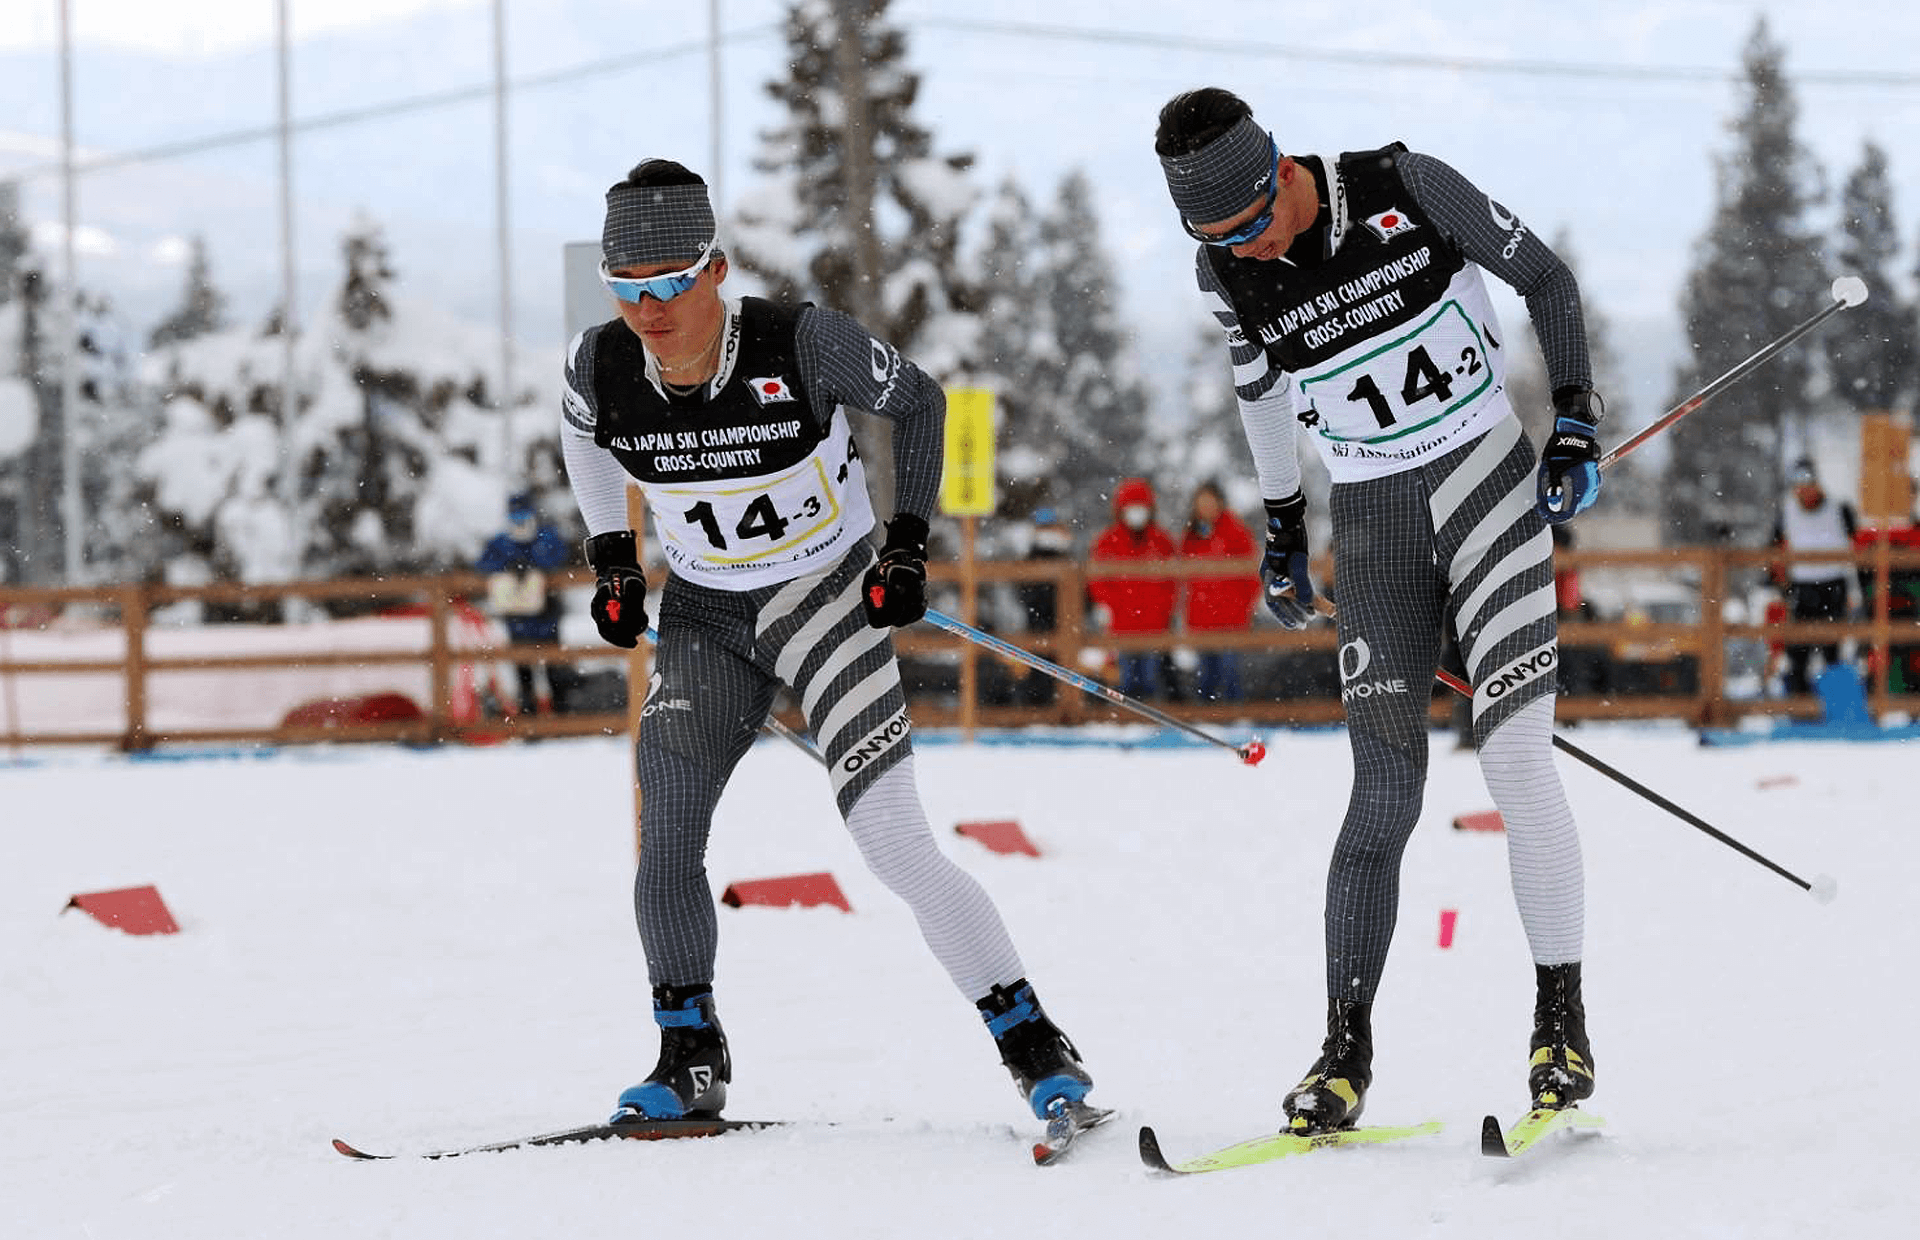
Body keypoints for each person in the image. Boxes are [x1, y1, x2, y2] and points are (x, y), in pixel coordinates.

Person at [558, 158, 1095, 1128]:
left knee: (891, 841)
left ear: (715, 269)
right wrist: (615, 562)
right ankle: (689, 1055)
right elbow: (586, 441)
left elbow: (921, 401)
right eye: (629, 289)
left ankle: (1034, 1044)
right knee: (666, 835)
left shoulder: (799, 344)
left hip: (826, 598)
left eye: (671, 283)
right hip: (709, 617)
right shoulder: (598, 365)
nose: (650, 310)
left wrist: (906, 544)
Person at [1155, 87, 1602, 1130]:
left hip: (1484, 477)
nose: (1251, 249)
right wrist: (1277, 523)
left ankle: (1560, 1028)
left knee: (1515, 755)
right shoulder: (1227, 264)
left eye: (1257, 221)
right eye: (1222, 238)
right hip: (1372, 520)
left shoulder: (1406, 184)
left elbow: (1546, 278)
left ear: (1283, 169)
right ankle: (1342, 1052)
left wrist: (1574, 418)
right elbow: (1262, 387)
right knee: (1380, 790)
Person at [475, 491, 573, 717]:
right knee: (523, 669)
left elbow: (558, 556)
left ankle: (561, 715)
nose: (519, 520)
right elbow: (483, 564)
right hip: (517, 614)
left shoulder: (545, 537)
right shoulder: (501, 542)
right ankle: (529, 716)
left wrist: (534, 564)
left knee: (553, 667)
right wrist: (508, 565)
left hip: (545, 612)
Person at [1770, 458, 1857, 695]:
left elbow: (1858, 545)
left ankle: (1836, 703)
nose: (1804, 491)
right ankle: (1800, 705)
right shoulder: (1786, 512)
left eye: (1808, 484)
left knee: (1833, 650)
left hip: (1834, 585)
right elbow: (1775, 550)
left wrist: (1854, 590)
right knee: (1798, 650)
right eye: (1798, 485)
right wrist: (1782, 588)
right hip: (1802, 586)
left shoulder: (1839, 509)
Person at [1087, 477, 1178, 700]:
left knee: (1150, 679)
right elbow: (1097, 579)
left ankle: (1147, 725)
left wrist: (1164, 609)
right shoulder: (1107, 540)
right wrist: (1108, 605)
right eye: (1131, 507)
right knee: (1124, 682)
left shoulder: (1162, 540)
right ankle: (1126, 726)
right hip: (1121, 625)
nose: (1136, 512)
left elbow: (1173, 580)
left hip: (1154, 625)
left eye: (1141, 507)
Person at [1179, 479, 1260, 702]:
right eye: (1200, 502)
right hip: (1201, 619)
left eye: (1209, 501)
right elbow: (1182, 573)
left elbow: (1253, 574)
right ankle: (1207, 721)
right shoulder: (1191, 534)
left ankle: (1236, 719)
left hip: (1230, 618)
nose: (1205, 507)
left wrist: (1242, 606)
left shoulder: (1235, 530)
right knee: (1205, 676)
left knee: (1230, 673)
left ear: (1219, 502)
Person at [1015, 507, 1074, 706]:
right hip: (1038, 620)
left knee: (1063, 663)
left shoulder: (1064, 556)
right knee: (1038, 663)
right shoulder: (1032, 556)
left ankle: (1060, 705)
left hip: (1064, 620)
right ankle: (1039, 704)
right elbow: (1022, 589)